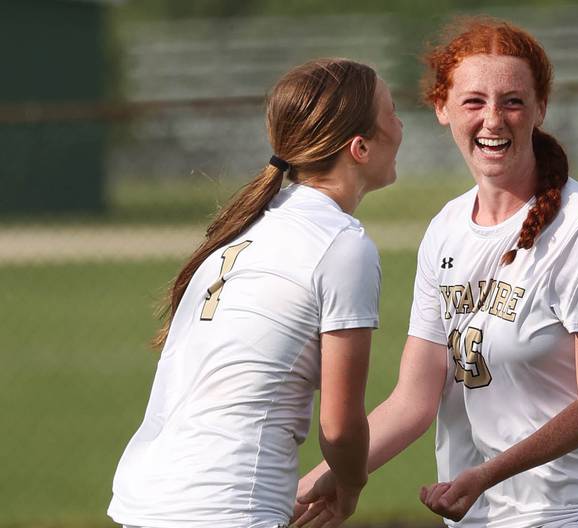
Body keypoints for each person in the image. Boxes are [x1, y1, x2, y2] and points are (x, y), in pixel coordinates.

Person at [295, 18, 578, 528]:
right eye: (473, 101)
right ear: (442, 108)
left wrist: (485, 475)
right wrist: (314, 485)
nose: (493, 119)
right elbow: (411, 402)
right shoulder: (445, 229)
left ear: (539, 109)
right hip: (485, 513)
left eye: (512, 101)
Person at [107, 58, 403, 528]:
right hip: (225, 507)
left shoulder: (251, 224)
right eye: (392, 112)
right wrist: (349, 485)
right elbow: (341, 428)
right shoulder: (343, 246)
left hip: (145, 499)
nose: (401, 125)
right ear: (360, 147)